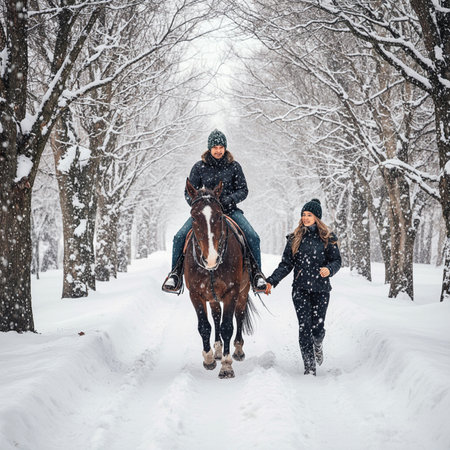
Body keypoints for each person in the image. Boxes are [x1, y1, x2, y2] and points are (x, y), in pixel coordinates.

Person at [162, 129, 266, 294]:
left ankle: (257, 275)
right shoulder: (199, 167)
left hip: (230, 212)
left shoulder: (234, 167)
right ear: (209, 148)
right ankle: (175, 274)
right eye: (215, 147)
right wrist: (198, 205)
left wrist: (229, 200)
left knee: (253, 236)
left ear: (225, 148)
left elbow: (243, 190)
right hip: (205, 215)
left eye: (221, 147)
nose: (218, 150)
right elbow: (189, 192)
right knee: (179, 236)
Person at [265, 199, 341, 375]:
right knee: (304, 327)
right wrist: (271, 281)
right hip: (300, 289)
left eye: (309, 215)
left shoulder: (328, 238)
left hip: (321, 290)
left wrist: (329, 270)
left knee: (317, 329)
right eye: (304, 215)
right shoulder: (295, 238)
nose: (305, 218)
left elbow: (337, 261)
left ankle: (318, 343)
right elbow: (285, 264)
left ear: (317, 217)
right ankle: (309, 367)